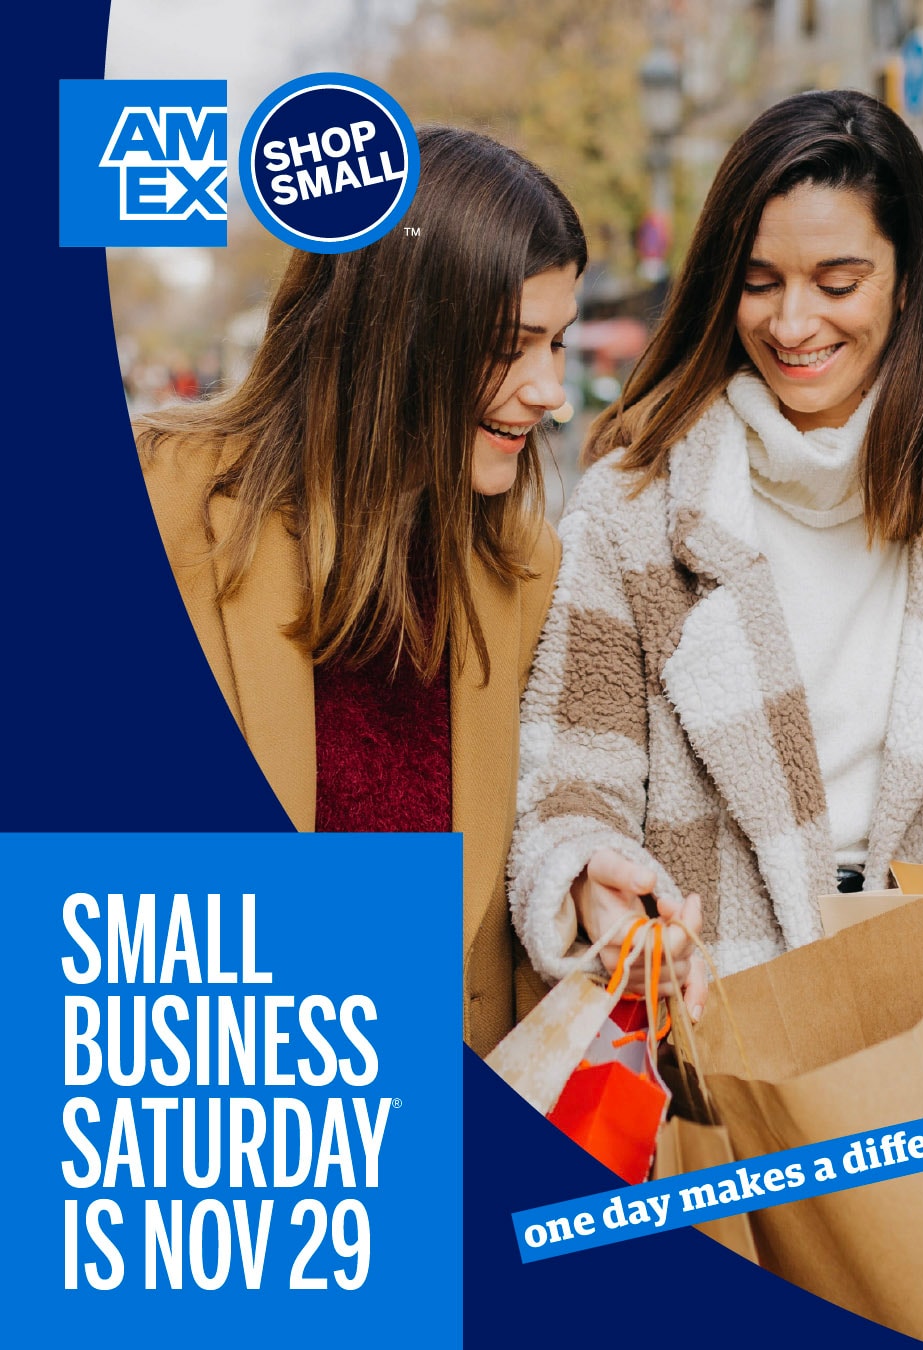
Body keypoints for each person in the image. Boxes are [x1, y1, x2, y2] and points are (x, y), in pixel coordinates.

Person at [508, 90, 923, 1011]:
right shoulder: (634, 504)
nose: (791, 324)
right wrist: (586, 878)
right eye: (760, 281)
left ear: (908, 278)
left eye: (838, 283)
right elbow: (572, 779)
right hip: (721, 1021)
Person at [138, 126, 586, 1056]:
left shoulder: (526, 565)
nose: (553, 390)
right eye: (514, 345)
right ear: (395, 334)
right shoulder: (161, 499)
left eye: (559, 342)